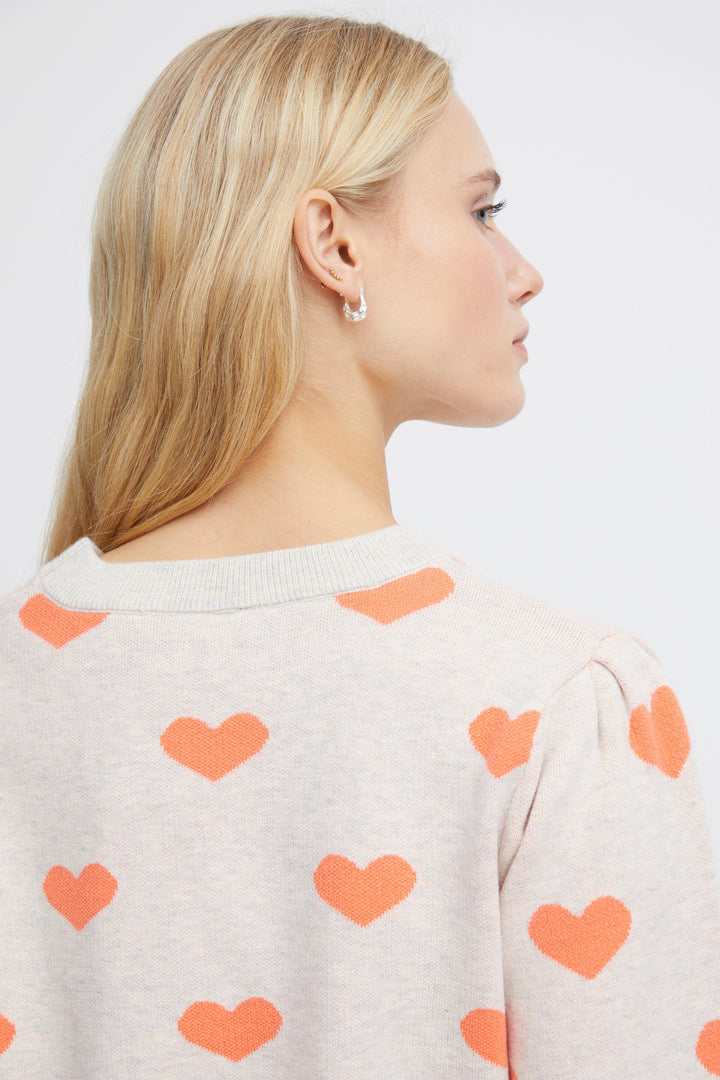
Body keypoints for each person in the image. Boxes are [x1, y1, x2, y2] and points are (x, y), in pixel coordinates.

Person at [1, 14, 719, 1080]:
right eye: (482, 211)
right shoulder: (560, 703)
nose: (524, 272)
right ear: (334, 245)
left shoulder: (19, 675)